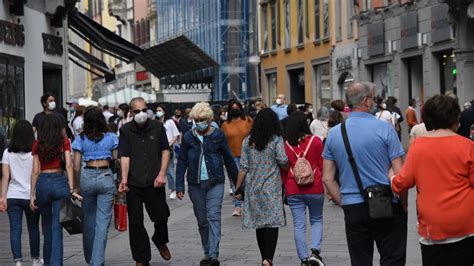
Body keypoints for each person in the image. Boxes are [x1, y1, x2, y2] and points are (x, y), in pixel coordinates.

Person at [322, 82, 408, 266]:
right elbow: (400, 174)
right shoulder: (385, 129)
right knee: (393, 258)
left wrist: (344, 202)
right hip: (386, 203)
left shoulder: (335, 134)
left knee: (360, 260)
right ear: (366, 101)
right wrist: (404, 204)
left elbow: (327, 178)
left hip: (353, 206)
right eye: (374, 99)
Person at [391, 95, 474, 266]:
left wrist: (390, 176)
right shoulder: (468, 146)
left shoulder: (418, 147)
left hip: (432, 228)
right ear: (454, 118)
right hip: (465, 225)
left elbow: (402, 183)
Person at [175, 102, 238, 266]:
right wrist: (179, 186)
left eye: (202, 119)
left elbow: (229, 159)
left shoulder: (217, 135)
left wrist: (238, 184)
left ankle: (213, 254)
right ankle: (206, 251)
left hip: (215, 181)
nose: (199, 122)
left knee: (213, 217)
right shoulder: (188, 137)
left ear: (209, 119)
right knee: (202, 221)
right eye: (196, 119)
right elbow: (181, 161)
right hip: (195, 184)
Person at [117, 97, 171, 265]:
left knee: (161, 216)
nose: (141, 114)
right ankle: (141, 258)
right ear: (131, 113)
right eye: (137, 111)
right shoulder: (126, 130)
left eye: (144, 110)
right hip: (134, 183)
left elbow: (165, 150)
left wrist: (162, 174)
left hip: (155, 181)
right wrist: (124, 180)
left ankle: (160, 240)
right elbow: (124, 156)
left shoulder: (157, 127)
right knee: (135, 221)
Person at [234, 108, 289, 266]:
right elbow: (283, 160)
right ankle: (268, 258)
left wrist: (238, 187)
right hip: (272, 186)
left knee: (260, 223)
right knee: (272, 223)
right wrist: (287, 167)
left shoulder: (248, 141)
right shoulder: (276, 139)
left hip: (253, 187)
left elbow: (243, 167)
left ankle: (263, 256)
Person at [30, 114, 80, 265]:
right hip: (59, 181)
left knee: (46, 226)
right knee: (57, 225)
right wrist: (72, 188)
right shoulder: (64, 142)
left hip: (43, 183)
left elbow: (35, 170)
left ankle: (47, 262)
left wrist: (32, 194)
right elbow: (69, 165)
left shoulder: (37, 144)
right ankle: (56, 263)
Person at [71, 106, 118, 265]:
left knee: (89, 220)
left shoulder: (80, 138)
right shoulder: (111, 137)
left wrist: (76, 186)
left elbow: (76, 165)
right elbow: (116, 161)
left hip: (87, 177)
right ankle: (96, 261)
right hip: (106, 176)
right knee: (102, 222)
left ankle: (90, 258)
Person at [282, 112, 325, 266]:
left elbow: (283, 170)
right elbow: (322, 165)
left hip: (293, 188)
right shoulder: (316, 141)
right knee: (316, 219)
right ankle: (315, 252)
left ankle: (303, 259)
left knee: (299, 224)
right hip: (315, 187)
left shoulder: (285, 144)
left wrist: (285, 186)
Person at [0, 120, 43, 266]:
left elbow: (5, 177)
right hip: (31, 195)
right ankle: (35, 259)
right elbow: (37, 173)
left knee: (15, 229)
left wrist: (2, 197)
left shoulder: (7, 152)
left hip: (13, 195)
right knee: (33, 228)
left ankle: (17, 261)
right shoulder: (35, 152)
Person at [221, 99, 253, 216]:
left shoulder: (248, 120)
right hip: (232, 156)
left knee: (248, 181)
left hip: (248, 155)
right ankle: (238, 206)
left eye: (237, 107)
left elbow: (254, 135)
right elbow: (222, 142)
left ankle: (249, 204)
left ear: (240, 108)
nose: (235, 109)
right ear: (229, 110)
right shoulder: (225, 125)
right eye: (232, 107)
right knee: (236, 182)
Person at [155, 105, 180, 200]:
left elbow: (176, 135)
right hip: (157, 149)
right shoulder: (155, 122)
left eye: (160, 110)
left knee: (169, 170)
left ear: (164, 111)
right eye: (157, 110)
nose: (158, 112)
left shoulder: (170, 122)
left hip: (168, 149)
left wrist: (169, 144)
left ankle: (173, 189)